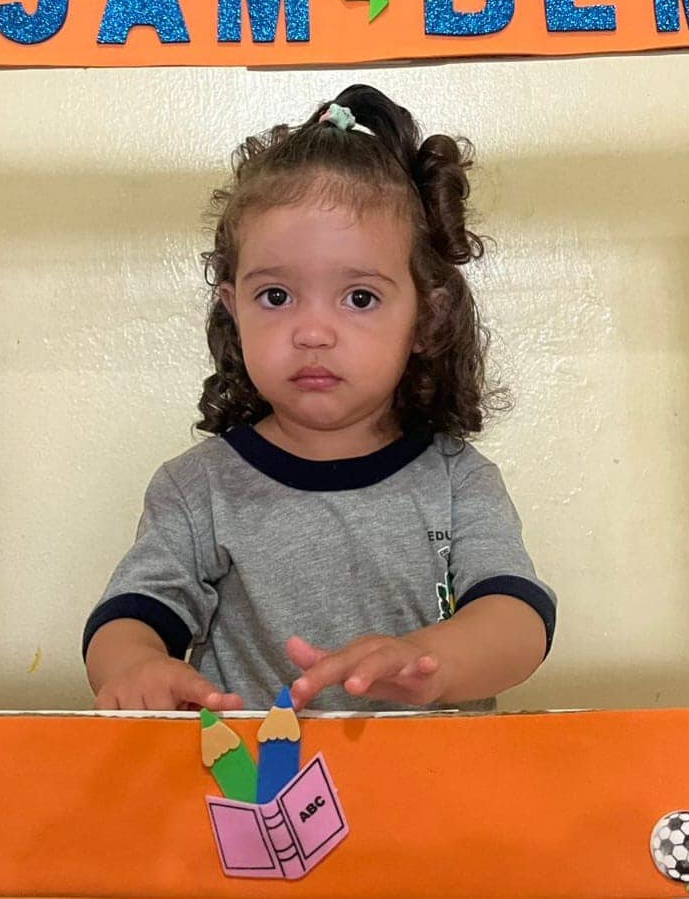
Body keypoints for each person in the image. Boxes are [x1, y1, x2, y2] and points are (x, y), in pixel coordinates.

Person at [84, 84, 555, 713]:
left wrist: (430, 661)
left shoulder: (457, 481)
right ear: (233, 307)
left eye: (360, 298)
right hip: (257, 774)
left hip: (432, 772)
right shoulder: (197, 490)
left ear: (425, 317)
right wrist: (135, 667)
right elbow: (131, 616)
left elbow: (517, 621)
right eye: (276, 297)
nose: (312, 332)